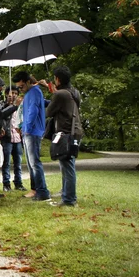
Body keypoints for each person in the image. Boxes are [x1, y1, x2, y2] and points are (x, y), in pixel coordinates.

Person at [45, 66, 83, 207]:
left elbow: (49, 112)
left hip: (65, 133)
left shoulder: (60, 94)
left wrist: (53, 94)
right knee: (68, 164)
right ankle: (67, 193)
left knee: (67, 166)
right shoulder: (74, 92)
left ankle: (69, 200)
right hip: (75, 131)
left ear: (58, 79)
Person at [13, 71, 50, 202]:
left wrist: (26, 129)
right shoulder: (30, 93)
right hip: (28, 131)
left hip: (32, 132)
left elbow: (33, 111)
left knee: (34, 163)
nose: (20, 89)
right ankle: (36, 189)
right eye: (18, 87)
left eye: (21, 86)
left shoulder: (34, 92)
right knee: (31, 163)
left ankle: (42, 191)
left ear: (28, 82)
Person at [0, 85, 25, 192]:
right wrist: (9, 104)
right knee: (6, 162)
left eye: (15, 93)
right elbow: (0, 115)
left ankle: (18, 183)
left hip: (17, 137)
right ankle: (6, 184)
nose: (13, 95)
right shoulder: (3, 105)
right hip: (7, 137)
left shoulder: (20, 106)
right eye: (11, 93)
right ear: (6, 94)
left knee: (18, 162)